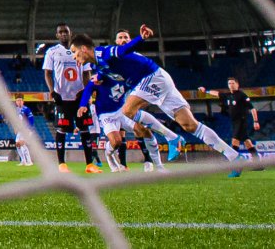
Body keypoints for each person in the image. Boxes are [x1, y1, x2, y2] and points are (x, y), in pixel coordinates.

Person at [70, 26, 248, 177]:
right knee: (189, 125)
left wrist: (141, 37)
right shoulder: (97, 65)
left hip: (151, 77)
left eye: (74, 52)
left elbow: (123, 50)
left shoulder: (103, 53)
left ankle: (172, 138)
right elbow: (109, 74)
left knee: (127, 110)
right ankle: (234, 157)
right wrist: (99, 80)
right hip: (160, 79)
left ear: (84, 48)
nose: (74, 57)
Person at [113, 29, 185, 170]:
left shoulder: (136, 58)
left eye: (126, 37)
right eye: (120, 37)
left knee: (143, 131)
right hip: (116, 108)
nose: (123, 40)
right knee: (120, 138)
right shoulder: (114, 60)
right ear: (116, 42)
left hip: (130, 105)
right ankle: (121, 164)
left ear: (130, 41)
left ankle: (157, 165)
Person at [78, 70, 168, 173]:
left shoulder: (124, 76)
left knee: (141, 129)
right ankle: (109, 154)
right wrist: (83, 105)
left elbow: (138, 89)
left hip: (122, 111)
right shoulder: (98, 78)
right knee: (116, 141)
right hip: (106, 115)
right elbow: (88, 89)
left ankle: (155, 164)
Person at [43, 23, 98, 173]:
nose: (63, 34)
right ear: (57, 35)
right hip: (62, 97)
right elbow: (47, 72)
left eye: (65, 32)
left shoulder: (80, 50)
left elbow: (87, 73)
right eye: (60, 32)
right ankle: (62, 164)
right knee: (62, 129)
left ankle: (89, 165)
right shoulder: (52, 52)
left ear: (70, 33)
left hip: (80, 95)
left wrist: (87, 92)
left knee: (85, 129)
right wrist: (52, 91)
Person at [200, 77, 262, 165]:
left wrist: (256, 121)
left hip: (241, 120)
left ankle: (234, 163)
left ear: (237, 84)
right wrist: (206, 91)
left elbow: (252, 109)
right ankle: (258, 164)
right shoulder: (228, 95)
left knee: (234, 140)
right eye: (229, 83)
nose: (231, 85)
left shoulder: (242, 95)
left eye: (233, 83)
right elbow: (217, 93)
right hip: (234, 121)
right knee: (247, 142)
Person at [14, 96, 35, 166]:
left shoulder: (26, 109)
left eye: (20, 100)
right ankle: (23, 160)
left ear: (23, 101)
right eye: (17, 100)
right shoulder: (16, 110)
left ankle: (29, 161)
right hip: (20, 130)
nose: (19, 102)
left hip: (26, 129)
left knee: (22, 144)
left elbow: (31, 119)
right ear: (16, 102)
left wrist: (29, 128)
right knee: (17, 144)